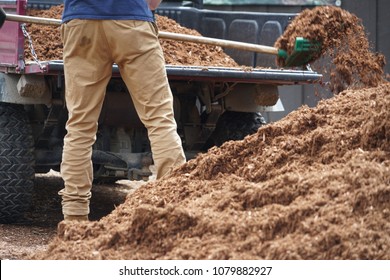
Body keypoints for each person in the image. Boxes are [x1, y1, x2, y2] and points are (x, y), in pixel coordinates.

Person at [58, 0, 186, 222]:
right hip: (132, 21)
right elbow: (153, 2)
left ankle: (74, 217)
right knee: (160, 120)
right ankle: (176, 210)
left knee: (80, 125)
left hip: (81, 22)